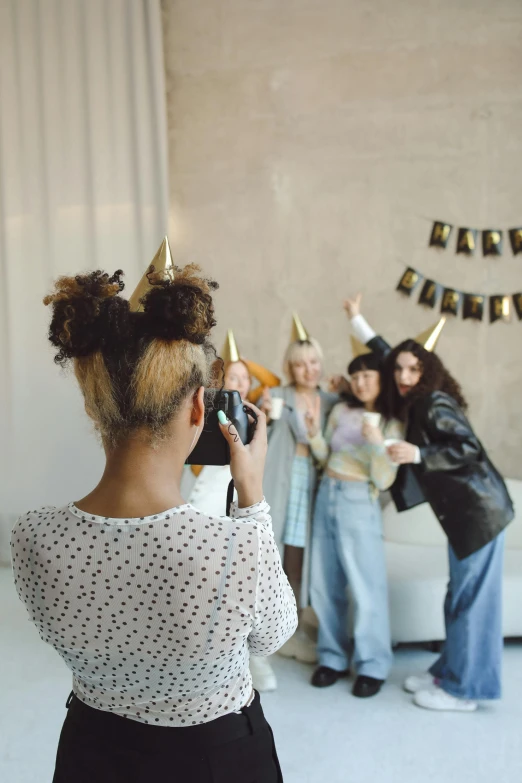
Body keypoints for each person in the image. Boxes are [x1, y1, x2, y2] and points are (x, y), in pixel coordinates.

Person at [10, 246, 297, 783]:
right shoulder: (234, 544)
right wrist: (252, 499)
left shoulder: (33, 537)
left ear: (95, 408)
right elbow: (274, 635)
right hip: (217, 755)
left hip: (91, 750)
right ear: (198, 408)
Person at [344, 294, 514, 712]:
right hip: (466, 517)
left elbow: (469, 450)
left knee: (470, 601)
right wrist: (357, 320)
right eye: (399, 368)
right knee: (458, 596)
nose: (402, 375)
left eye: (412, 368)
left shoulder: (435, 402)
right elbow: (387, 356)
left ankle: (464, 690)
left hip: (481, 515)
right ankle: (449, 670)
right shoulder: (416, 400)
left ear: (428, 372)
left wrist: (418, 454)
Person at [184, 330, 281, 693]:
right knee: (206, 578)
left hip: (246, 498)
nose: (240, 382)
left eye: (245, 377)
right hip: (210, 496)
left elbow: (273, 381)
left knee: (248, 579)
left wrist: (249, 384)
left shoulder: (258, 418)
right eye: (232, 377)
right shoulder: (208, 414)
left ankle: (257, 661)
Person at [306, 347, 403, 698]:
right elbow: (325, 457)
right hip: (326, 494)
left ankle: (372, 665)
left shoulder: (393, 422)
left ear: (381, 380)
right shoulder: (342, 410)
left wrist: (378, 445)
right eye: (357, 375)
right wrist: (315, 433)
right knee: (323, 582)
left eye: (368, 376)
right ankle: (331, 658)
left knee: (366, 586)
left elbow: (386, 479)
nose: (361, 382)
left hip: (359, 500)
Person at [260, 314, 337, 664]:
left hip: (315, 483)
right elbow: (256, 437)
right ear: (290, 367)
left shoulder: (333, 401)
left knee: (303, 555)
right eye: (301, 364)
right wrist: (262, 415)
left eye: (314, 362)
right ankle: (268, 630)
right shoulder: (275, 395)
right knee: (272, 552)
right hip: (281, 480)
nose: (309, 369)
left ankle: (296, 626)